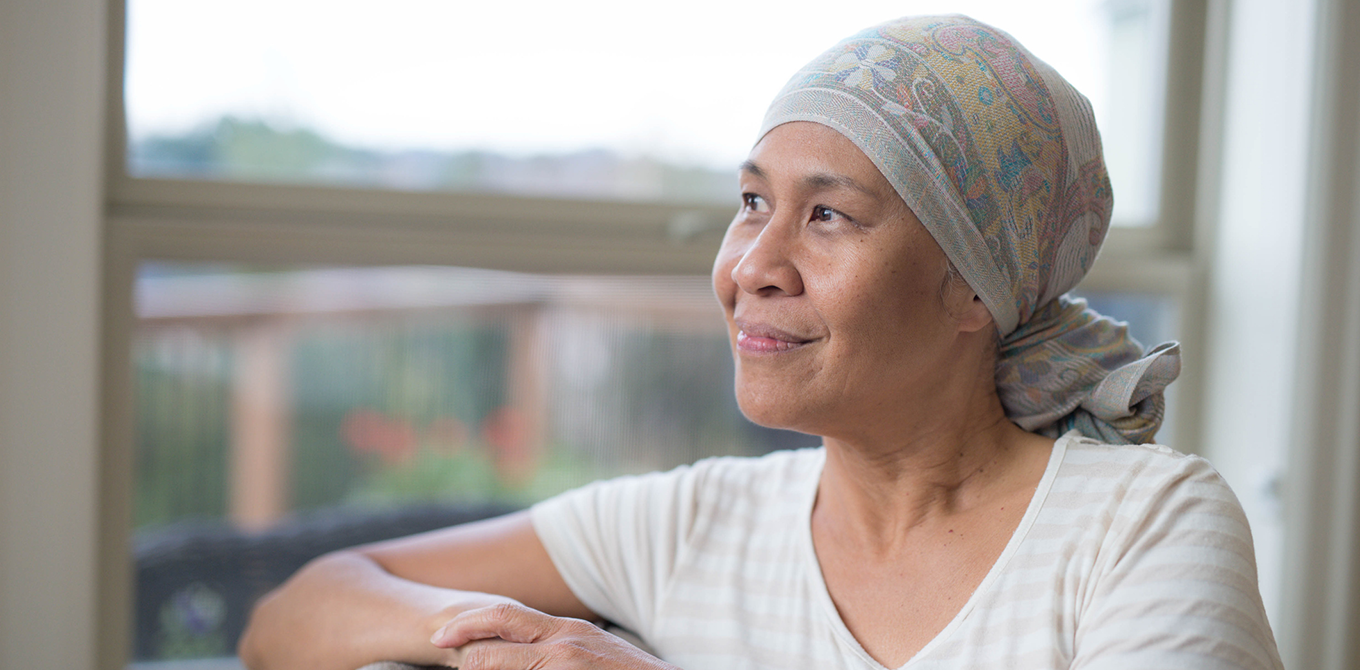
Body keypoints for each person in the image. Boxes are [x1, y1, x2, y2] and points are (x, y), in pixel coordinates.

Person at [239, 14, 1282, 670]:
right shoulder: (693, 524)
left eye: (828, 215)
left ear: (974, 283)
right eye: (751, 203)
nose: (753, 265)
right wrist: (506, 637)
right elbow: (296, 614)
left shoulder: (1142, 526)